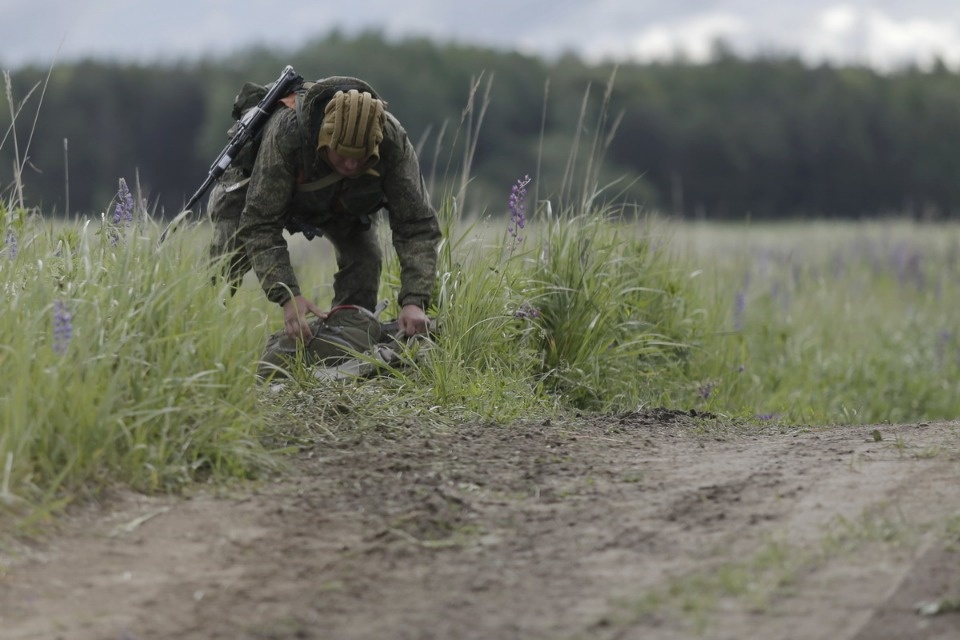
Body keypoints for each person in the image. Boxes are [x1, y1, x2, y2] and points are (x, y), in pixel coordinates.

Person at [207, 75, 442, 344]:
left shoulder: (391, 141)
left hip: (345, 202)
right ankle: (203, 337)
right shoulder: (288, 133)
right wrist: (288, 296)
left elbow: (417, 225)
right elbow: (260, 223)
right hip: (264, 192)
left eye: (361, 158)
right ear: (324, 140)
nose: (352, 165)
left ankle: (344, 341)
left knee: (365, 258)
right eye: (342, 154)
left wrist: (415, 301)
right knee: (226, 261)